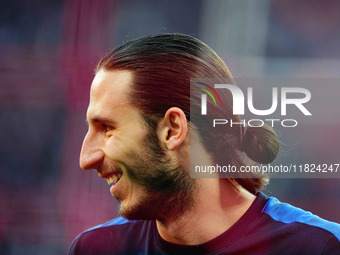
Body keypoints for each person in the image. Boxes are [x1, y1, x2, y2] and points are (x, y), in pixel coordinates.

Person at [68, 33, 340, 255]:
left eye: (107, 128)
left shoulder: (320, 246)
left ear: (173, 130)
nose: (86, 158)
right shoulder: (93, 249)